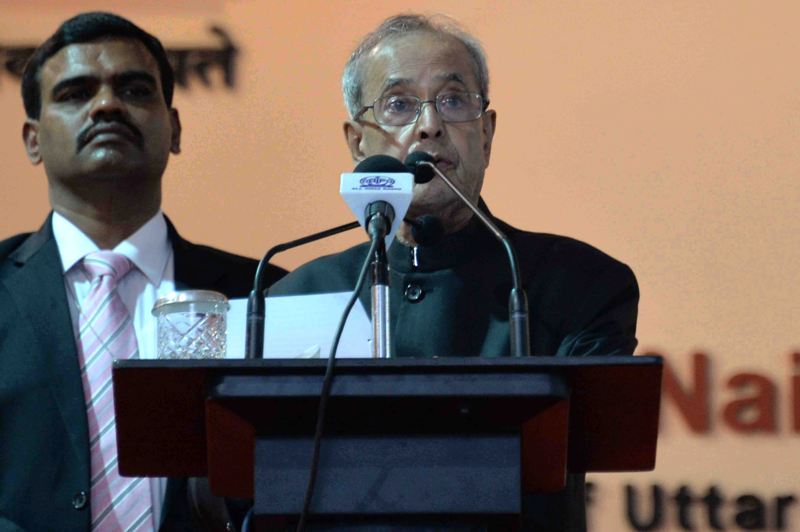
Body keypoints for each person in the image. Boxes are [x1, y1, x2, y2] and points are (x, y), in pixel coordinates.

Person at [268, 14, 639, 531]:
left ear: (485, 133)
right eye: (398, 104)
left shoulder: (579, 285)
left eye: (452, 100)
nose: (429, 125)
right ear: (357, 143)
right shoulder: (293, 298)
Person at [0, 12, 285, 531]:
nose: (107, 105)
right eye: (75, 93)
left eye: (134, 90)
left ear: (173, 129)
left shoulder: (267, 296)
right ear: (33, 140)